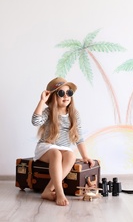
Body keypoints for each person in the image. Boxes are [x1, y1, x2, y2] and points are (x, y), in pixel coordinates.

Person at [32, 77, 95, 206]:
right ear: (54, 96)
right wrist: (42, 101)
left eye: (69, 93)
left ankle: (48, 190)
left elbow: (79, 137)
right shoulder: (48, 112)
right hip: (47, 147)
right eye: (61, 93)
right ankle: (59, 192)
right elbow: (35, 121)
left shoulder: (74, 114)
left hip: (64, 148)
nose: (66, 96)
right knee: (56, 153)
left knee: (71, 155)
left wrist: (85, 156)